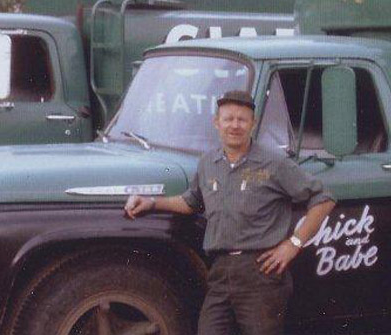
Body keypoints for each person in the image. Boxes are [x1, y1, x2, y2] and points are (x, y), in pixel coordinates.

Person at [124, 90, 336, 335]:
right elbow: (191, 202)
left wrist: (294, 243)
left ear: (253, 124)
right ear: (217, 123)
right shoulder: (208, 163)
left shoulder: (273, 163)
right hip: (220, 272)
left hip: (261, 274)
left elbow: (323, 199)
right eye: (228, 119)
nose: (235, 125)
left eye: (242, 120)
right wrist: (151, 203)